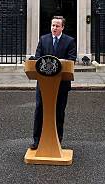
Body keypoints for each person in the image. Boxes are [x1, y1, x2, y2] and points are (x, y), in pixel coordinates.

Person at [30, 16, 77, 150]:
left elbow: (71, 60)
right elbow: (38, 58)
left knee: (59, 112)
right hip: (44, 84)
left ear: (62, 27)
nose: (54, 28)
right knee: (40, 110)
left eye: (57, 26)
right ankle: (37, 140)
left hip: (61, 84)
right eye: (52, 25)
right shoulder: (43, 39)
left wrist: (58, 62)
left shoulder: (69, 41)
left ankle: (57, 140)